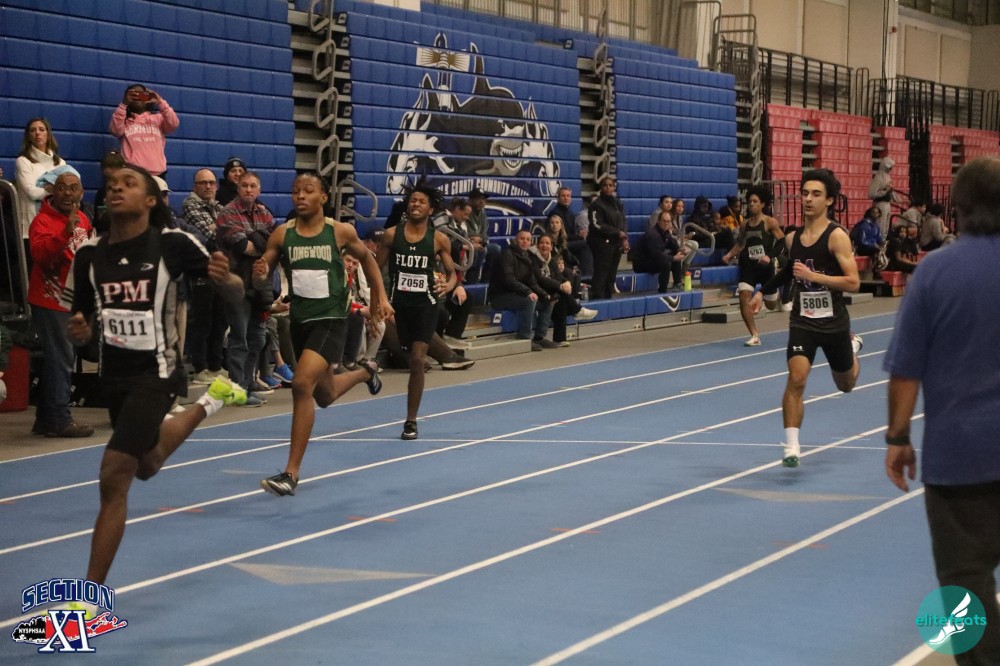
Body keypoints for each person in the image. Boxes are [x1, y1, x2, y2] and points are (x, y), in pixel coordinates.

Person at [65, 164, 247, 585]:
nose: (116, 188)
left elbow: (235, 290)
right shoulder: (89, 254)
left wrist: (226, 280)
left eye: (128, 184)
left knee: (114, 473)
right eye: (112, 184)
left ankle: (90, 598)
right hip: (114, 378)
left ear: (150, 200)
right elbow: (82, 319)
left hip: (158, 373)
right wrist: (80, 330)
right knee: (146, 465)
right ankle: (210, 401)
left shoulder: (172, 244)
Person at [884, 156, 1000, 666]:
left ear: (958, 210)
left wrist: (897, 439)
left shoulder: (933, 273)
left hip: (959, 460)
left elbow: (905, 369)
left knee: (963, 586)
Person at [252, 172, 389, 496]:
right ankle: (366, 372)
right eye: (295, 191)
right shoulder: (282, 234)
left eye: (308, 190)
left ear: (323, 197)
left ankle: (290, 473)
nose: (300, 196)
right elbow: (262, 274)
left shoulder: (339, 231)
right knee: (324, 396)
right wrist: (259, 273)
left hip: (331, 319)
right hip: (301, 322)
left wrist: (379, 299)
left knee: (301, 384)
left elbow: (368, 260)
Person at [751, 169, 862, 468]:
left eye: (816, 194)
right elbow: (789, 271)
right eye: (804, 193)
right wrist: (763, 292)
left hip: (834, 322)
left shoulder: (837, 237)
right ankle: (792, 446)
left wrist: (814, 277)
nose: (808, 199)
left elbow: (853, 282)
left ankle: (852, 348)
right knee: (797, 378)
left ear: (830, 201)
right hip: (803, 321)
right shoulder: (792, 238)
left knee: (846, 384)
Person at [376, 178, 457, 440]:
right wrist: (378, 300)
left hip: (426, 305)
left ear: (430, 209)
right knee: (405, 354)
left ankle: (411, 421)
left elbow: (453, 274)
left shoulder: (439, 240)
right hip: (398, 306)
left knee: (417, 360)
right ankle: (368, 372)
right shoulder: (391, 235)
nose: (416, 204)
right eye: (412, 200)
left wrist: (447, 286)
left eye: (422, 201)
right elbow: (375, 269)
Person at [28, 171, 95, 437]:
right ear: (53, 192)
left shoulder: (83, 219)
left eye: (73, 188)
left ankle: (46, 419)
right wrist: (63, 234)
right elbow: (39, 255)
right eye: (62, 187)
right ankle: (59, 419)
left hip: (72, 300)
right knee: (61, 359)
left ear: (81, 193)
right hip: (50, 300)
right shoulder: (42, 221)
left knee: (58, 359)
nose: (68, 193)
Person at [216, 170, 273, 404]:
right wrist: (261, 239)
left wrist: (255, 238)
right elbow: (242, 246)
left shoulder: (264, 212)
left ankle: (249, 382)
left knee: (258, 337)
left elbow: (274, 244)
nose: (248, 189)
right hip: (236, 282)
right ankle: (237, 388)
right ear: (238, 188)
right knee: (240, 337)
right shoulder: (227, 213)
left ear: (259, 189)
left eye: (252, 186)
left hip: (259, 282)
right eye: (244, 186)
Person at [722, 186, 785, 346]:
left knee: (771, 305)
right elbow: (740, 244)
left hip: (766, 268)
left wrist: (769, 256)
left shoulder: (769, 222)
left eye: (755, 201)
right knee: (744, 296)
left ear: (762, 204)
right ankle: (754, 335)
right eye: (750, 201)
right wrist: (729, 255)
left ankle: (775, 294)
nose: (751, 204)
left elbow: (782, 242)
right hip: (748, 266)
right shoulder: (744, 225)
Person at [181, 168, 228, 384]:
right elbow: (210, 237)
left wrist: (221, 230)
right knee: (202, 324)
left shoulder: (219, 207)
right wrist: (221, 230)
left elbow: (232, 234)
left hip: (220, 276)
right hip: (201, 275)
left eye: (211, 183)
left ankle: (215, 366)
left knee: (219, 322)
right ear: (195, 186)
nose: (208, 186)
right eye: (203, 183)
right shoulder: (190, 205)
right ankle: (200, 368)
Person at [489, 229, 555, 352]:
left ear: (531, 243)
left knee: (547, 302)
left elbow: (532, 282)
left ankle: (539, 337)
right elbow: (509, 280)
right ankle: (524, 337)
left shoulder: (527, 258)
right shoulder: (506, 255)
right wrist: (528, 292)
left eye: (528, 239)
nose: (525, 241)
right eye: (522, 239)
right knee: (529, 301)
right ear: (515, 240)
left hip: (516, 294)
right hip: (500, 296)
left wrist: (545, 295)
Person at [529, 233, 597, 346]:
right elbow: (540, 279)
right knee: (561, 295)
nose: (544, 245)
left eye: (547, 243)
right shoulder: (532, 259)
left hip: (548, 291)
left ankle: (559, 339)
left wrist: (566, 283)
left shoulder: (551, 260)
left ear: (551, 247)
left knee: (562, 300)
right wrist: (560, 286)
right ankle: (577, 311)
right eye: (541, 243)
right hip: (536, 292)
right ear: (537, 245)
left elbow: (559, 276)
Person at [108, 84, 179, 176]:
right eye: (133, 95)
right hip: (133, 173)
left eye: (141, 95)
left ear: (147, 98)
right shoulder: (124, 121)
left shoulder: (158, 119)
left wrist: (160, 101)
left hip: (158, 174)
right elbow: (115, 130)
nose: (137, 98)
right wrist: (123, 104)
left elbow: (174, 123)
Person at [14, 118, 66, 243]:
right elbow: (32, 192)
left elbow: (66, 192)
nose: (37, 133)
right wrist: (55, 190)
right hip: (31, 226)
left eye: (41, 129)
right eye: (33, 130)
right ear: (28, 136)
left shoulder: (61, 163)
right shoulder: (23, 161)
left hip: (56, 225)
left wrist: (51, 190)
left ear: (48, 134)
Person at [587, 177, 628, 299]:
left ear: (614, 187)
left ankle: (607, 299)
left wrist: (624, 238)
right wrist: (617, 233)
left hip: (616, 244)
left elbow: (623, 221)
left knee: (611, 274)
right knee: (601, 274)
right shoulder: (596, 205)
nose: (608, 187)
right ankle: (597, 299)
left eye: (610, 185)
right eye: (605, 185)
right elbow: (597, 224)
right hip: (601, 243)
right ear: (601, 187)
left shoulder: (617, 203)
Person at [632, 209, 685, 293]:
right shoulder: (653, 234)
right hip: (641, 263)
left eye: (668, 221)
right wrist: (673, 258)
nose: (666, 223)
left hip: (652, 259)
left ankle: (677, 283)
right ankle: (662, 291)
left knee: (674, 254)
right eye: (664, 221)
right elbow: (657, 255)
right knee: (666, 262)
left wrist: (680, 250)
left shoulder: (666, 233)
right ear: (658, 221)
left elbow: (672, 244)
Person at [868, 157, 898, 238]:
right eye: (889, 167)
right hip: (880, 204)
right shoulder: (878, 178)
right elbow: (871, 193)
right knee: (880, 224)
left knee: (886, 225)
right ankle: (879, 239)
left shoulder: (887, 176)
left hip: (887, 203)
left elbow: (890, 191)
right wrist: (884, 191)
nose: (890, 169)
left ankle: (883, 239)